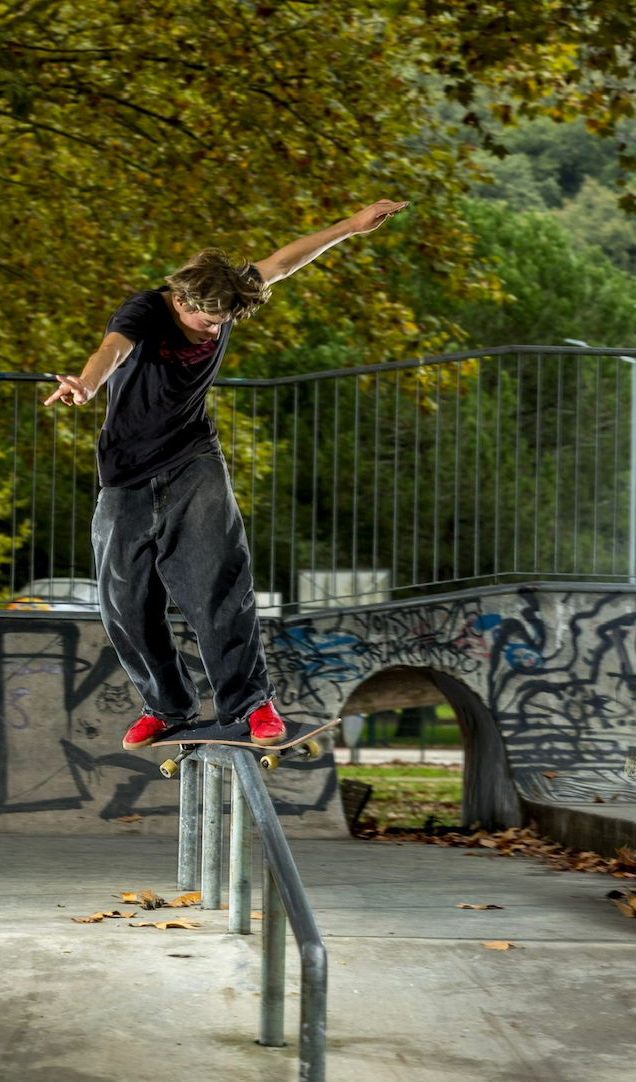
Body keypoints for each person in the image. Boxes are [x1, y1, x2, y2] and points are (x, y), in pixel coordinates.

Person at [43, 199, 409, 750]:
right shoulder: (142, 312)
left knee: (217, 582)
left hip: (193, 459)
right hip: (125, 474)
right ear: (183, 300)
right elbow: (111, 350)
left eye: (224, 322)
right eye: (208, 321)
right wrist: (88, 384)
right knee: (123, 600)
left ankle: (250, 703)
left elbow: (285, 261)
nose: (214, 331)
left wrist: (352, 227)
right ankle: (166, 706)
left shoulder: (227, 291)